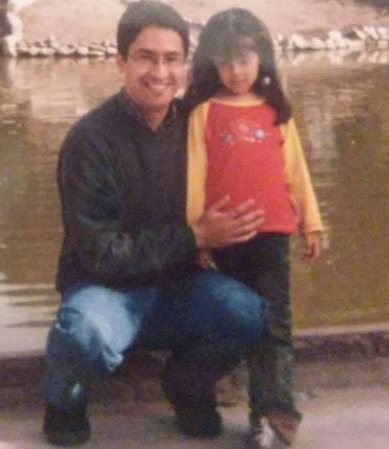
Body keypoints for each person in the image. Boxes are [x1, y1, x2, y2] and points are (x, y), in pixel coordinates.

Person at [42, 2, 268, 446]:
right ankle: (65, 400)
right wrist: (195, 237)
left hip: (180, 286)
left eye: (172, 59)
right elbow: (101, 254)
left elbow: (246, 180)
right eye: (146, 57)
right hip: (106, 289)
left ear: (186, 65)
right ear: (121, 61)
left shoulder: (199, 126)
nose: (160, 73)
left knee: (249, 311)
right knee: (85, 332)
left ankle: (186, 383)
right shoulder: (90, 140)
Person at [183, 8, 324, 448]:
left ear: (261, 57)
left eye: (244, 60)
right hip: (224, 235)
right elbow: (195, 176)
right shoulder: (203, 112)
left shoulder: (276, 110)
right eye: (225, 62)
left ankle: (274, 412)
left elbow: (295, 171)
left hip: (273, 233)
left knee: (275, 323)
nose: (236, 71)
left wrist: (311, 222)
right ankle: (209, 390)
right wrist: (196, 235)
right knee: (226, 320)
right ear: (211, 63)